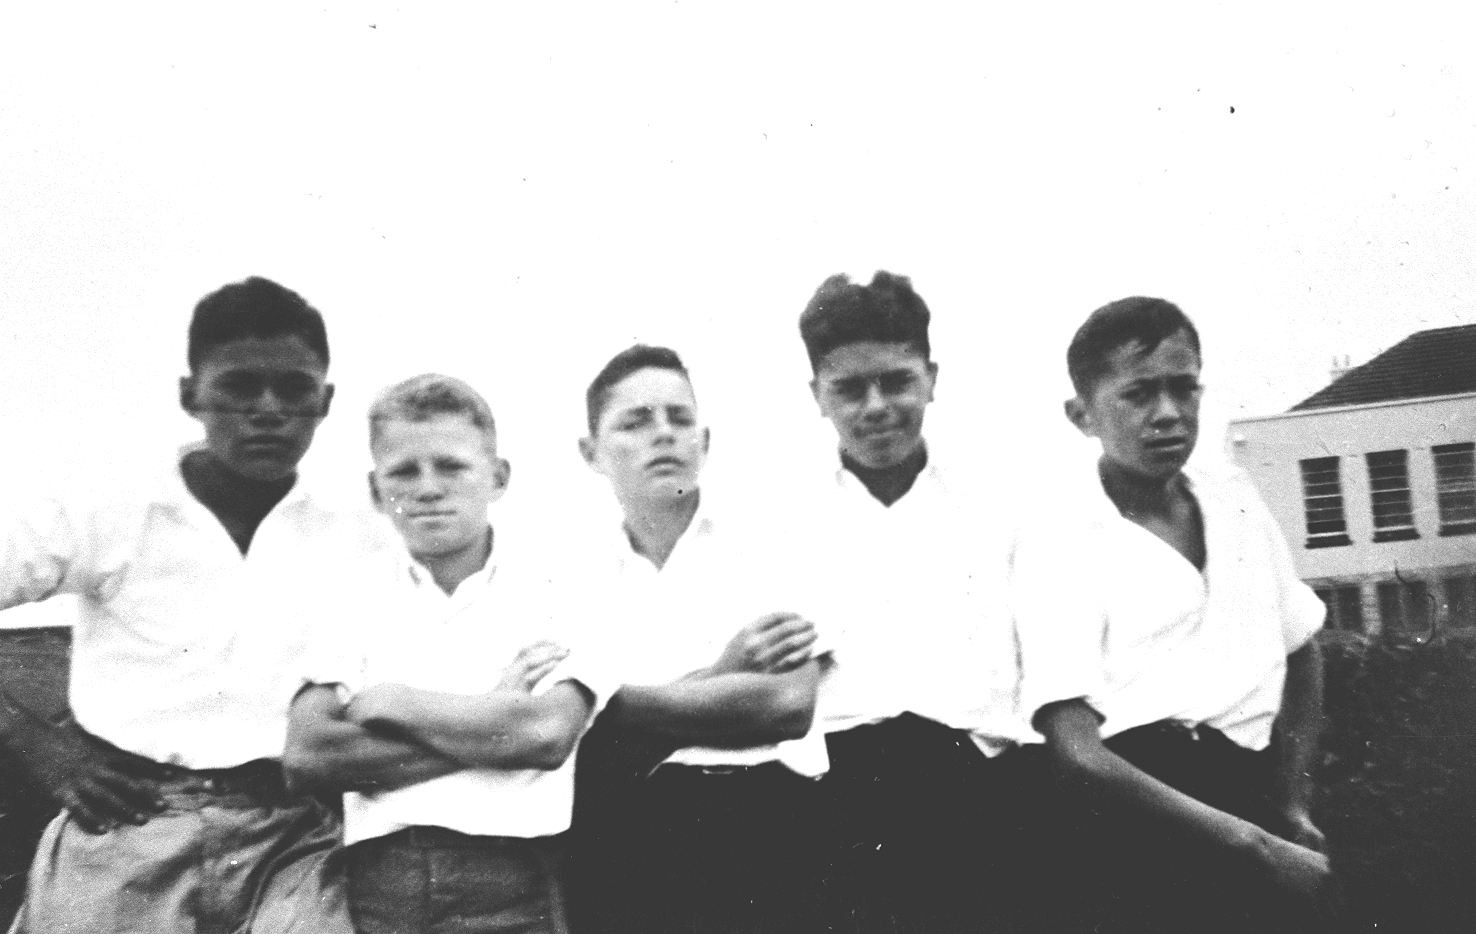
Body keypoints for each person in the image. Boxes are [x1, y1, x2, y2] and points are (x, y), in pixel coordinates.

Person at [0, 276, 367, 934]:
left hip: (293, 835)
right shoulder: (110, 507)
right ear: (190, 394)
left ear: (325, 401)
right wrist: (42, 747)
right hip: (129, 823)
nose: (268, 410)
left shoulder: (353, 531)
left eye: (294, 389)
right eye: (239, 386)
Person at [1011, 295, 1334, 933]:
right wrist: (1254, 845)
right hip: (1131, 829)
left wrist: (1291, 802)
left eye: (1184, 389)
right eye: (1138, 394)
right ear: (1082, 415)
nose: (1168, 413)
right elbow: (1075, 749)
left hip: (1248, 800)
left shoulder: (1234, 497)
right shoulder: (1060, 533)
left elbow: (1302, 648)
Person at [279, 374, 609, 934]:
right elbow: (310, 757)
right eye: (404, 471)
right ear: (375, 489)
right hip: (382, 884)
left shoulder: (563, 587)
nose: (428, 488)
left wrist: (392, 702)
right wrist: (494, 714)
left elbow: (545, 736)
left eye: (452, 466)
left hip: (514, 881)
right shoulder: (349, 594)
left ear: (498, 477)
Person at [795, 271, 1033, 934]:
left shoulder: (1003, 505)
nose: (875, 407)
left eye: (896, 381)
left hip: (984, 796)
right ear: (817, 396)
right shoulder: (786, 520)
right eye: (849, 388)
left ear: (931, 378)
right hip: (839, 803)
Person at [568, 344, 829, 934]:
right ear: (591, 453)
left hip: (772, 821)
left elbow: (786, 705)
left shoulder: (775, 540)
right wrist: (725, 674)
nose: (663, 434)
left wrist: (602, 701)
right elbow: (571, 737)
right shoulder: (569, 575)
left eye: (679, 418)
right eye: (636, 422)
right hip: (629, 834)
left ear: (704, 442)